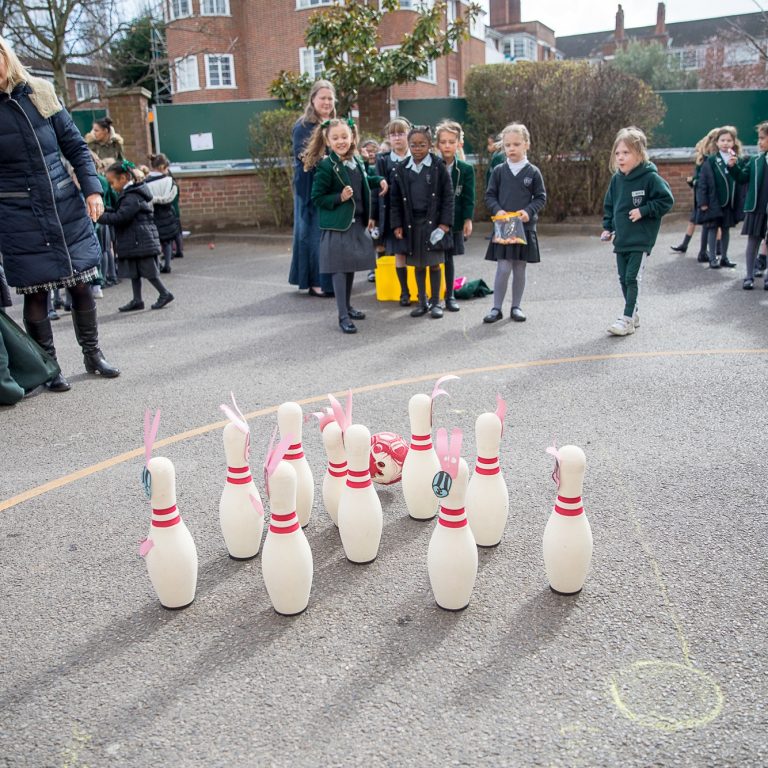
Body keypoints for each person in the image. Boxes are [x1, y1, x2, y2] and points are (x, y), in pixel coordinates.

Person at [0, 37, 119, 391]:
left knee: (82, 282)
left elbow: (75, 146)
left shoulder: (41, 92)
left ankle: (93, 354)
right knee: (36, 293)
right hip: (17, 213)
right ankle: (49, 368)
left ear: (7, 57)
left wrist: (93, 189)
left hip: (63, 203)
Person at [305, 118, 387, 334]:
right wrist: (339, 197)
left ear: (352, 136)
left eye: (344, 136)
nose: (340, 141)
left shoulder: (357, 160)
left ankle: (349, 307)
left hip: (356, 223)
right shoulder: (326, 166)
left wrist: (378, 180)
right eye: (335, 138)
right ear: (327, 140)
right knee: (340, 270)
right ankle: (342, 315)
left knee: (350, 267)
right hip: (338, 226)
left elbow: (364, 180)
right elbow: (317, 197)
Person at [601, 126, 674, 337]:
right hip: (622, 238)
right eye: (617, 153)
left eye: (626, 153)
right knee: (623, 278)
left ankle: (626, 319)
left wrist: (644, 210)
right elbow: (610, 206)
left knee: (632, 278)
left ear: (639, 153)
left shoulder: (650, 178)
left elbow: (666, 200)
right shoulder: (617, 180)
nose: (621, 158)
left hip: (641, 238)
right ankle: (634, 314)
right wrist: (608, 228)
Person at [483, 123, 547, 324]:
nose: (511, 148)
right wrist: (498, 210)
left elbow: (541, 197)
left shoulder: (533, 172)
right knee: (503, 268)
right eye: (508, 145)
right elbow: (490, 196)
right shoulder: (499, 171)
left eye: (516, 144)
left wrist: (528, 212)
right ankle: (496, 308)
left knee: (520, 268)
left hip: (525, 228)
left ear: (526, 145)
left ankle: (516, 306)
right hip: (504, 227)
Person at [390, 125, 454, 319]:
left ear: (430, 145)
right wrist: (397, 224)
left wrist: (444, 225)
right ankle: (422, 301)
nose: (417, 148)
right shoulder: (402, 169)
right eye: (413, 145)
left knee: (434, 264)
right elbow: (394, 200)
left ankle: (436, 303)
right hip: (412, 223)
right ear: (409, 146)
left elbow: (448, 197)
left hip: (433, 224)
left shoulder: (438, 166)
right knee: (418, 265)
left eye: (422, 144)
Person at [99, 161, 174, 312]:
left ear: (124, 178)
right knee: (135, 272)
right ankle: (137, 300)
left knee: (149, 272)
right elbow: (118, 211)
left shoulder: (132, 196)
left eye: (112, 182)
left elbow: (121, 217)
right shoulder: (129, 194)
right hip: (135, 240)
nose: (111, 186)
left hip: (141, 240)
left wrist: (99, 216)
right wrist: (105, 210)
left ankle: (164, 293)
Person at [289, 79, 336, 297]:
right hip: (309, 188)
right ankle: (316, 282)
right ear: (313, 99)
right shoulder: (303, 126)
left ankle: (329, 278)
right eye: (322, 98)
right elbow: (305, 156)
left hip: (331, 187)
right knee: (312, 233)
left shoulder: (336, 123)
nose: (327, 102)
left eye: (330, 98)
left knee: (328, 234)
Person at [435, 120, 475, 312]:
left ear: (458, 143)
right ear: (437, 144)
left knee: (448, 258)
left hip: (454, 220)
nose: (447, 146)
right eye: (443, 142)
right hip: (434, 221)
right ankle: (432, 297)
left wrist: (468, 219)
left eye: (451, 141)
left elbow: (468, 196)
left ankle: (449, 295)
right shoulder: (432, 166)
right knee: (432, 259)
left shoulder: (466, 169)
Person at [375, 117, 412, 304]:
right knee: (399, 252)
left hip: (415, 214)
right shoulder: (383, 160)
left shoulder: (417, 157)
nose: (397, 138)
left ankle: (420, 290)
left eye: (401, 133)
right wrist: (373, 216)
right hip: (394, 214)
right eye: (393, 134)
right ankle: (404, 291)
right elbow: (376, 191)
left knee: (418, 252)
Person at [696, 126, 744, 270]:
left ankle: (724, 257)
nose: (725, 143)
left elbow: (740, 179)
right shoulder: (710, 161)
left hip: (729, 202)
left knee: (726, 229)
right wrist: (703, 202)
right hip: (714, 201)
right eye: (722, 140)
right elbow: (702, 182)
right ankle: (712, 258)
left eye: (729, 140)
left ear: (734, 142)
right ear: (716, 143)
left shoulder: (736, 160)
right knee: (712, 229)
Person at [671, 128, 720, 261]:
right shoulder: (706, 159)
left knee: (711, 222)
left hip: (703, 195)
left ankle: (715, 248)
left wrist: (694, 181)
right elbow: (701, 178)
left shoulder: (711, 158)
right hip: (703, 195)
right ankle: (692, 247)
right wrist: (694, 181)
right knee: (701, 221)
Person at [732, 121, 768, 290]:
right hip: (756, 209)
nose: (759, 142)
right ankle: (749, 276)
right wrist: (733, 167)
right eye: (759, 138)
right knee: (753, 243)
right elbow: (741, 178)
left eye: (762, 138)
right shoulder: (755, 160)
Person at [145, 153, 181, 274]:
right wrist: (160, 199)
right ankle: (167, 265)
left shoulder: (145, 182)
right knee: (167, 241)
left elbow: (145, 198)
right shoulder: (169, 180)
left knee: (155, 240)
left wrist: (153, 200)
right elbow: (170, 197)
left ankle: (158, 265)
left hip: (152, 213)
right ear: (162, 167)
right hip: (166, 212)